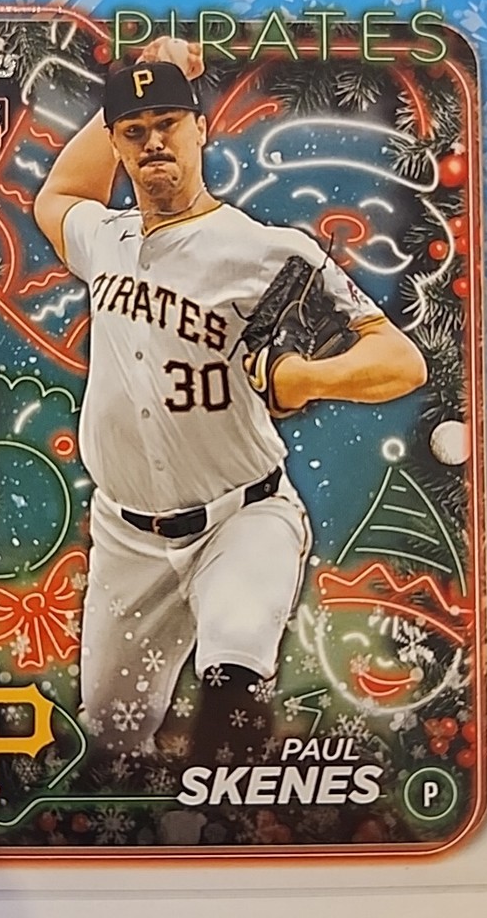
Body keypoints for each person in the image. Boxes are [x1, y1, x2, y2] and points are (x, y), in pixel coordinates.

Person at [33, 38, 426, 764]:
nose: (154, 142)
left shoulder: (268, 250)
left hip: (243, 518)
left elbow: (400, 360)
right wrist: (134, 83)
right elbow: (58, 195)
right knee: (113, 734)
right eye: (134, 132)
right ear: (116, 147)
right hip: (126, 540)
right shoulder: (103, 239)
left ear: (200, 130)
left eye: (168, 124)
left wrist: (306, 378)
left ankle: (233, 807)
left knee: (233, 671)